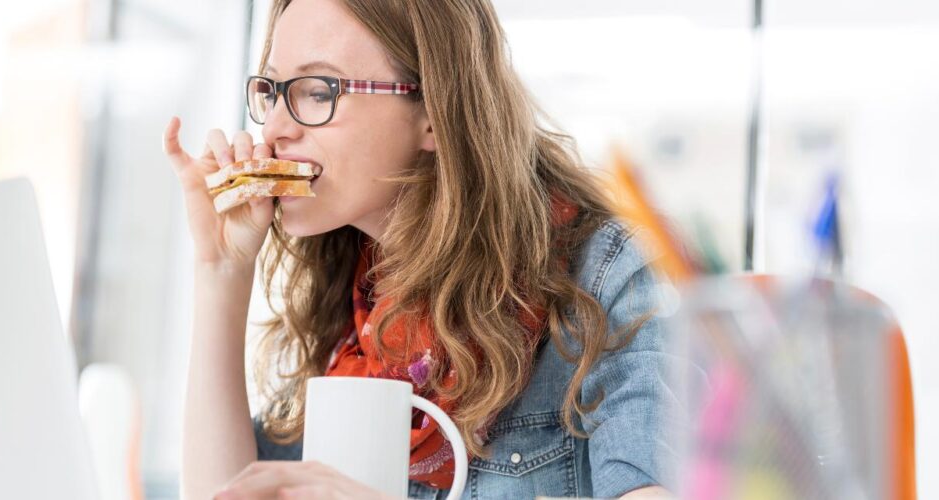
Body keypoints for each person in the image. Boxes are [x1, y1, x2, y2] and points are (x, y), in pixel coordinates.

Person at [162, 0, 681, 498]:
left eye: (318, 92)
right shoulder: (350, 308)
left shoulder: (607, 278)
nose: (274, 128)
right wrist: (221, 270)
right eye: (272, 90)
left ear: (433, 112)